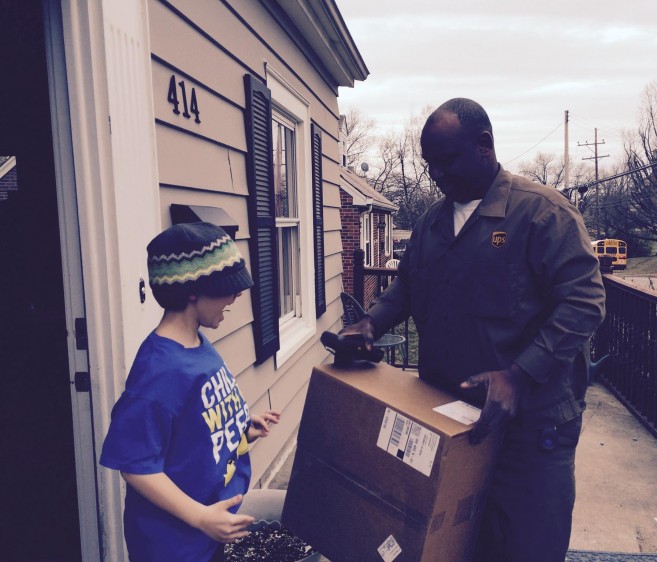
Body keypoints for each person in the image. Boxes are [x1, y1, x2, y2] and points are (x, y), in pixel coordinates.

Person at [340, 98, 606, 562]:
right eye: (429, 165)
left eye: (445, 161)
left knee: (530, 549)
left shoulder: (542, 214)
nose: (436, 176)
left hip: (532, 429)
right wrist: (370, 321)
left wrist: (519, 375)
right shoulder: (432, 224)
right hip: (454, 424)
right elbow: (406, 286)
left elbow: (584, 303)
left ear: (484, 146)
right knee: (458, 544)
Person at [100, 222, 281, 562]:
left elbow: (195, 428)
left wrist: (241, 430)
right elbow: (135, 466)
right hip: (174, 546)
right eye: (227, 288)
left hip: (209, 535)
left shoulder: (199, 343)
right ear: (192, 291)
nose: (236, 296)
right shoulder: (158, 372)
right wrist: (201, 517)